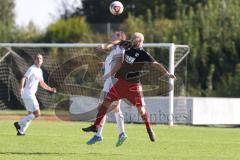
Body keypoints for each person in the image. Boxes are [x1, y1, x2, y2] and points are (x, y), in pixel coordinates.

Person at [82, 32, 176, 142]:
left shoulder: (143, 54)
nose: (132, 38)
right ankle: (96, 126)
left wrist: (167, 73)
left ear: (140, 40)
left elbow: (155, 64)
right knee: (105, 103)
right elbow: (116, 42)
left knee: (141, 110)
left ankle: (149, 129)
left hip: (133, 87)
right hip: (120, 84)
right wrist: (104, 46)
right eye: (132, 37)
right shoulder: (128, 45)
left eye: (134, 37)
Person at [83, 31, 127, 146]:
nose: (112, 37)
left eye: (114, 36)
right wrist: (103, 64)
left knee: (107, 107)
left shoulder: (121, 47)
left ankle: (100, 134)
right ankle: (116, 133)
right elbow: (113, 63)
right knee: (114, 108)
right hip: (109, 82)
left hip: (114, 82)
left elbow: (119, 62)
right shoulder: (114, 51)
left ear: (119, 38)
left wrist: (104, 46)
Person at [14, 53, 56, 136]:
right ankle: (19, 123)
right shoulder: (32, 69)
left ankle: (21, 131)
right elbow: (23, 78)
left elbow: (42, 83)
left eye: (40, 58)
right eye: (37, 58)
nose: (39, 60)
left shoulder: (39, 71)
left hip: (28, 95)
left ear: (42, 61)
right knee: (37, 113)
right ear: (34, 60)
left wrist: (50, 89)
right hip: (28, 94)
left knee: (30, 114)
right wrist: (21, 88)